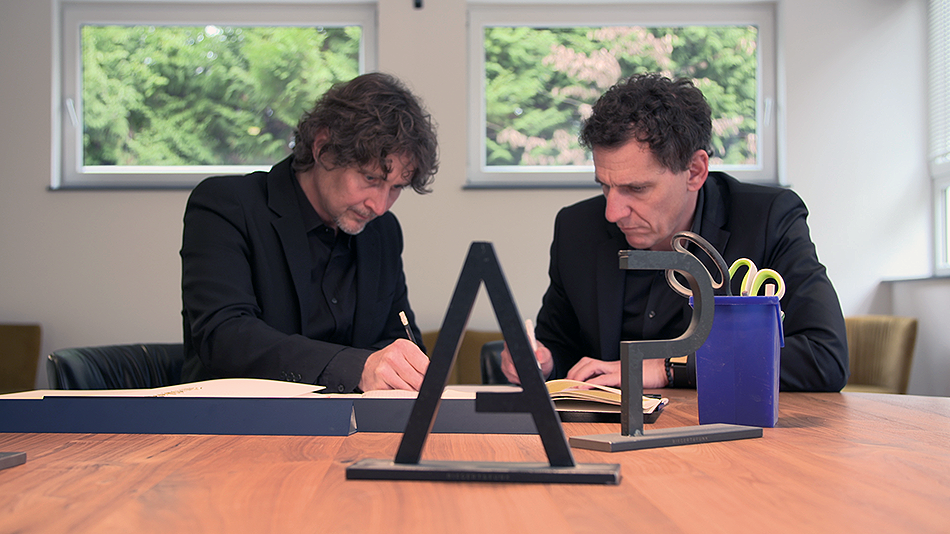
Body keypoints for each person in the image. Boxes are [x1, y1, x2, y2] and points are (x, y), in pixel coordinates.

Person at [500, 73, 849, 392]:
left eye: (636, 189)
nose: (612, 212)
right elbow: (561, 344)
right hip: (607, 431)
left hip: (724, 430)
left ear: (695, 171)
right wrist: (543, 361)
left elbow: (824, 357)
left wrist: (669, 368)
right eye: (605, 186)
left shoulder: (766, 220)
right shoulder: (577, 228)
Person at [180, 72, 438, 393]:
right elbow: (225, 337)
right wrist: (356, 367)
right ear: (323, 148)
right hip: (233, 418)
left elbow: (399, 339)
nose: (381, 206)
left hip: (353, 422)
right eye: (371, 179)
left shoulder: (382, 232)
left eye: (396, 187)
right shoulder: (227, 206)